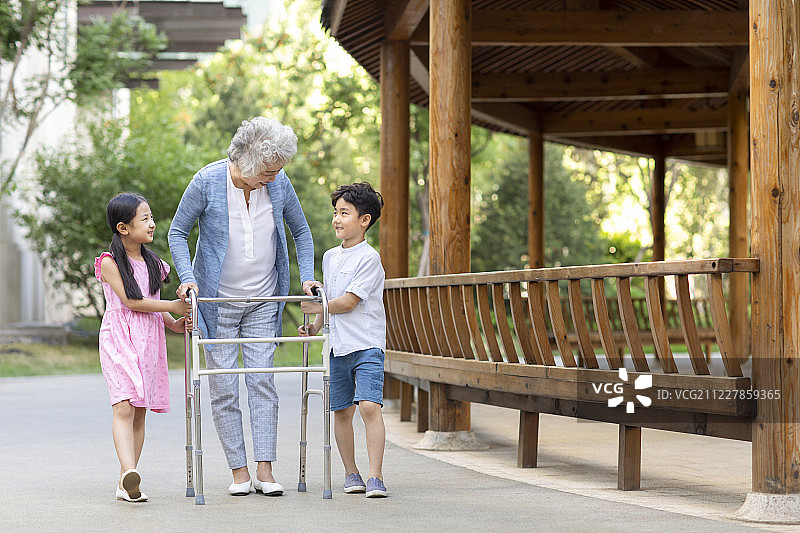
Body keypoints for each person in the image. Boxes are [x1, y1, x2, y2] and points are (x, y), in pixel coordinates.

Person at [168, 117, 320, 497]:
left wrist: (305, 278)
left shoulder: (278, 183)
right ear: (248, 160)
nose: (273, 177)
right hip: (217, 303)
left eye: (277, 171)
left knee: (261, 380)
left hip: (264, 299)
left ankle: (265, 470)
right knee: (222, 387)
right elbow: (177, 231)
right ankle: (239, 471)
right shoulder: (207, 181)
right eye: (268, 171)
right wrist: (187, 277)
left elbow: (300, 230)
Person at [95, 192, 188, 502]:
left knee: (139, 411)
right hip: (119, 337)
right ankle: (128, 472)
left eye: (151, 217)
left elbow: (150, 301)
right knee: (123, 404)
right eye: (145, 218)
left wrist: (172, 322)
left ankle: (126, 482)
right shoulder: (109, 262)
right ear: (123, 227)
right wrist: (173, 305)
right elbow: (132, 301)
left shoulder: (153, 263)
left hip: (148, 339)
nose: (152, 224)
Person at [299, 182, 388, 498]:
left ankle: (375, 475)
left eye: (344, 213)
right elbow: (331, 300)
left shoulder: (369, 259)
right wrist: (316, 324)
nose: (337, 219)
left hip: (366, 343)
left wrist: (316, 306)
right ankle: (352, 472)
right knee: (341, 410)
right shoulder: (329, 257)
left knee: (368, 406)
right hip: (336, 345)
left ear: (364, 220)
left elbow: (349, 302)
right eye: (335, 213)